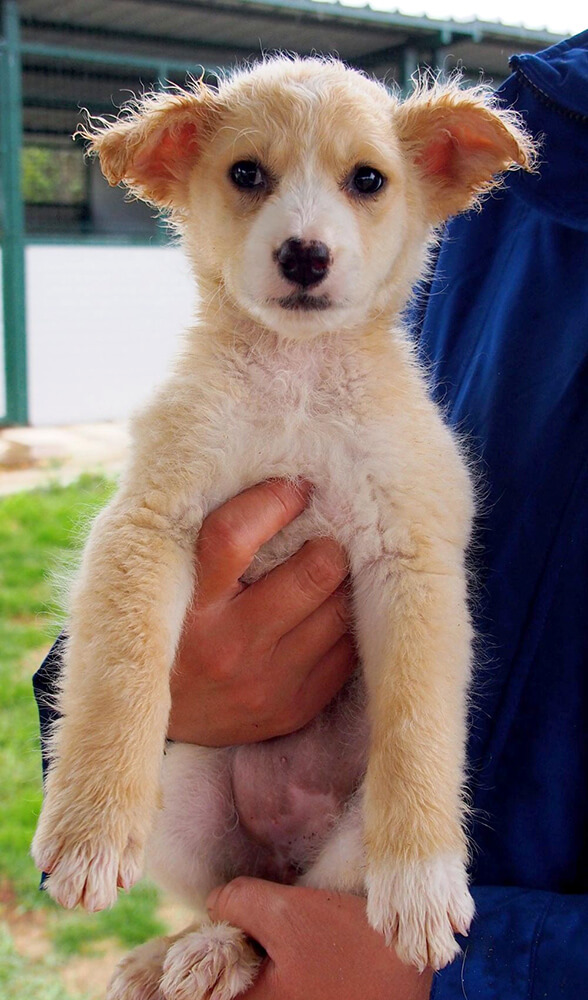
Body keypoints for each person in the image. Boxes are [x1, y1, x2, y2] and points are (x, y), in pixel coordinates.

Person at [34, 29, 588, 998]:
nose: (305, 232)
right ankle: (235, 922)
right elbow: (143, 542)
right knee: (182, 794)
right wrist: (110, 759)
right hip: (224, 784)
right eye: (248, 175)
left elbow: (417, 589)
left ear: (440, 176)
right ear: (175, 168)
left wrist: (416, 833)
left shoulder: (404, 410)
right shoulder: (198, 401)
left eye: (364, 182)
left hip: (386, 836)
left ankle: (273, 921)